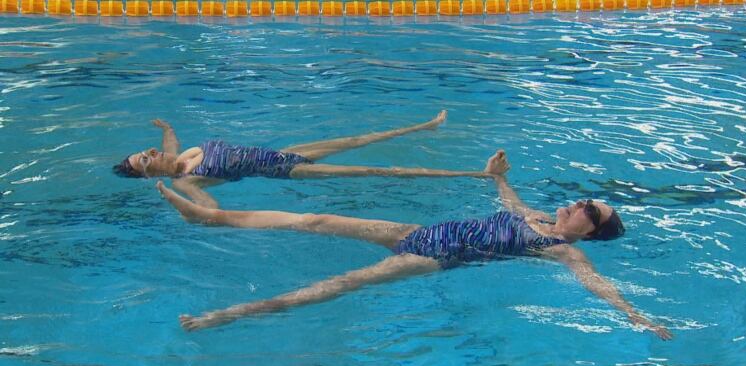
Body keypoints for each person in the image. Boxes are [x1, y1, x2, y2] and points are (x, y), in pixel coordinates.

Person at [155, 151, 672, 340]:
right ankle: (211, 218)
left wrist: (635, 315)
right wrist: (496, 178)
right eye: (585, 201)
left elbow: (595, 285)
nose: (580, 205)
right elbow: (510, 200)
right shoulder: (535, 216)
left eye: (591, 211)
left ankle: (227, 315)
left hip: (432, 257)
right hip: (421, 231)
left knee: (336, 285)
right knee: (315, 217)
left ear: (590, 231)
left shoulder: (565, 251)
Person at [114, 111, 495, 208]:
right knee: (374, 169)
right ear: (151, 176)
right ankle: (476, 175)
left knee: (357, 139)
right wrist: (177, 199)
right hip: (283, 169)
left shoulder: (179, 155)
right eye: (146, 160)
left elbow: (170, 139)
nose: (152, 152)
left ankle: (424, 126)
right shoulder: (184, 181)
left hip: (281, 151)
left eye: (146, 151)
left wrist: (164, 126)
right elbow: (208, 207)